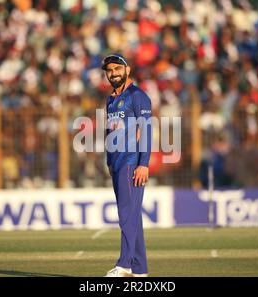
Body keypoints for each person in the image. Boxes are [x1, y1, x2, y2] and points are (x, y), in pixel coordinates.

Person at [101, 54, 152, 277]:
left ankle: (125, 265)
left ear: (127, 70)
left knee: (126, 214)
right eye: (109, 70)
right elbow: (109, 130)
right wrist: (109, 159)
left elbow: (147, 131)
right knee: (132, 215)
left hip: (133, 162)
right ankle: (140, 269)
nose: (113, 73)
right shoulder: (110, 99)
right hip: (117, 163)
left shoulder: (138, 96)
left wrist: (144, 164)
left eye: (117, 69)